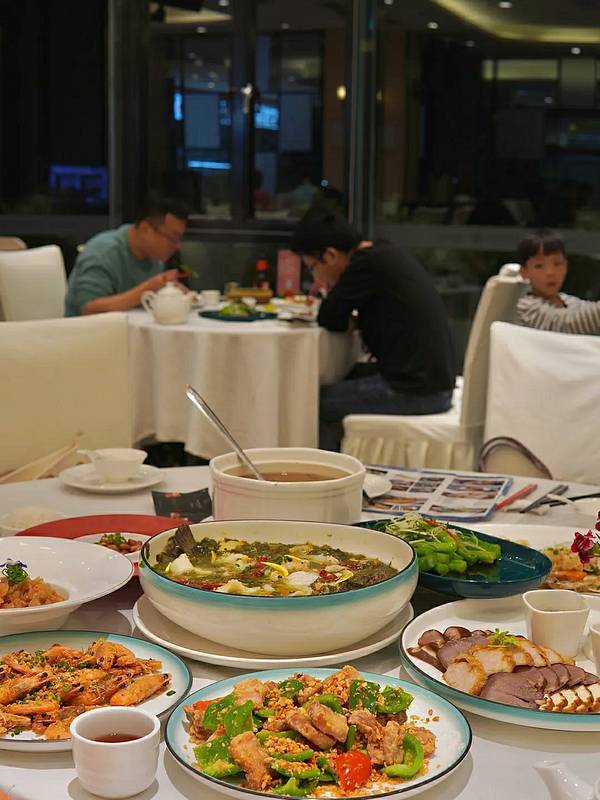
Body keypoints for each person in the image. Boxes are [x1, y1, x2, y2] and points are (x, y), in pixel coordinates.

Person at [290, 208, 456, 450]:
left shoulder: (364, 265)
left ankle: (328, 471)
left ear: (331, 255)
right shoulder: (381, 253)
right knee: (346, 375)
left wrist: (333, 291)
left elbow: (329, 316)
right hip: (431, 383)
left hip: (415, 392)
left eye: (312, 267)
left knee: (309, 404)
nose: (315, 277)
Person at [65, 196, 190, 316]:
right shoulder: (103, 252)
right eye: (172, 238)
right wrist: (147, 289)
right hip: (86, 329)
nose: (177, 246)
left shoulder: (155, 257)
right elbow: (89, 309)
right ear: (145, 229)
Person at [516, 229, 600, 334]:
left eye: (557, 264)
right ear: (524, 272)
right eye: (539, 266)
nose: (550, 272)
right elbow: (564, 324)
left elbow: (587, 311)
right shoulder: (525, 306)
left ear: (566, 266)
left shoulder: (568, 300)